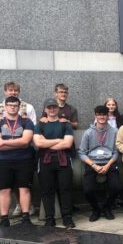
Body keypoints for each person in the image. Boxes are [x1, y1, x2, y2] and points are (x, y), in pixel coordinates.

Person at [0, 81, 37, 217]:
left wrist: (5, 143)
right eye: (10, 90)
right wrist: (17, 142)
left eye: (15, 90)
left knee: (24, 186)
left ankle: (25, 212)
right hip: (4, 157)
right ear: (5, 92)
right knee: (4, 188)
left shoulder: (28, 108)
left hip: (24, 155)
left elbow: (27, 138)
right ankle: (4, 218)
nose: (13, 93)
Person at [33, 98, 75, 228]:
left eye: (54, 107)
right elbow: (38, 143)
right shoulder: (39, 125)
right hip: (44, 160)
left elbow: (67, 143)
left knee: (65, 189)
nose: (52, 110)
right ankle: (49, 219)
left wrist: (48, 143)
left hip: (63, 160)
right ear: (45, 110)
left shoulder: (65, 124)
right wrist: (58, 140)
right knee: (47, 190)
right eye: (49, 108)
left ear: (58, 108)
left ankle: (67, 218)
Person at [78, 105, 121, 221]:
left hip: (109, 162)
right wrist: (93, 165)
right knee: (87, 190)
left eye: (104, 115)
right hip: (92, 162)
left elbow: (116, 152)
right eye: (99, 114)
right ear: (95, 116)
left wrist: (107, 165)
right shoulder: (88, 133)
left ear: (108, 116)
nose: (102, 117)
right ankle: (96, 209)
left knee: (116, 187)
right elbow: (81, 153)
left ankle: (107, 208)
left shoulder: (114, 131)